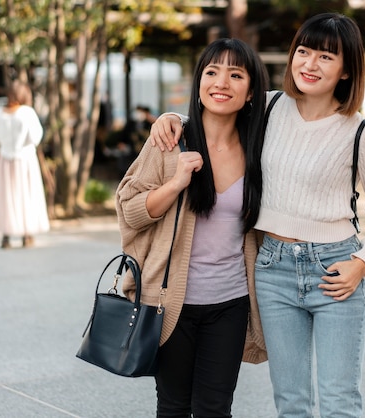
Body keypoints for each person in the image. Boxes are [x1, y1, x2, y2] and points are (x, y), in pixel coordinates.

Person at [150, 13, 365, 418]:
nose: (309, 64)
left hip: (335, 269)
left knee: (340, 401)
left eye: (325, 56)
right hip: (273, 269)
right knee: (291, 402)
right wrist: (172, 119)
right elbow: (217, 113)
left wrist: (364, 262)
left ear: (347, 70)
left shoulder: (361, 133)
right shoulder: (268, 107)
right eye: (303, 51)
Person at [116, 38, 269, 417]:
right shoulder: (170, 141)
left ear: (251, 91)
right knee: (173, 407)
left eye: (236, 75)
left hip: (231, 303)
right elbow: (129, 209)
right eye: (212, 72)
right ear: (199, 80)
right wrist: (174, 184)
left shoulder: (259, 147)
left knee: (215, 408)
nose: (221, 83)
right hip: (170, 301)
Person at [0, 80, 49, 249]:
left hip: (5, 159)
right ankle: (26, 234)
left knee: (6, 196)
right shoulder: (27, 113)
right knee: (26, 195)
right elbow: (35, 137)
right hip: (25, 159)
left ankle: (6, 235)